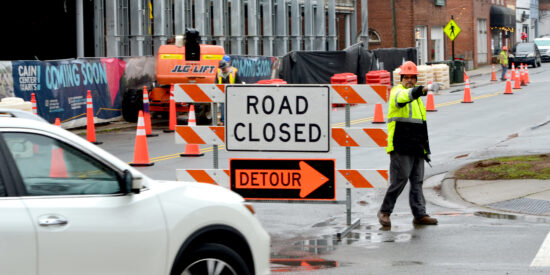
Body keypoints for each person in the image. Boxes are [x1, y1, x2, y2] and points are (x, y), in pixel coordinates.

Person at [377, 61, 439, 227]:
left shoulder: (417, 99)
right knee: (400, 180)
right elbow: (404, 97)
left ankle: (420, 214)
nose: (410, 80)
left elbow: (421, 124)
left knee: (417, 180)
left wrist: (425, 147)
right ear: (401, 78)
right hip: (400, 144)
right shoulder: (397, 92)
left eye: (413, 77)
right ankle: (385, 211)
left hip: (416, 145)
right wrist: (423, 89)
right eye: (407, 77)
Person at [216, 59, 242, 125]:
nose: (223, 70)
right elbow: (216, 84)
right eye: (222, 69)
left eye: (224, 68)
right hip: (223, 96)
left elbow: (239, 84)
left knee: (233, 110)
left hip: (233, 96)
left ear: (227, 66)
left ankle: (233, 121)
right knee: (223, 110)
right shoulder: (219, 73)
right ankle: (224, 122)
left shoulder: (233, 72)